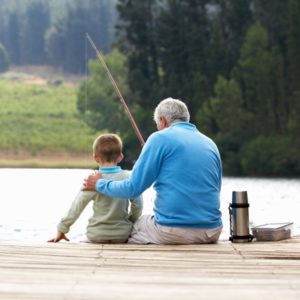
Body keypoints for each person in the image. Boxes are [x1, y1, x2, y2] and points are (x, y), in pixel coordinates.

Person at [83, 98, 222, 244]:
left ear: (162, 121)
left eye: (157, 126)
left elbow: (132, 188)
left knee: (133, 227)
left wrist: (99, 184)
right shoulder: (210, 143)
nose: (158, 129)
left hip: (173, 231)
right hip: (211, 231)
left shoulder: (159, 138)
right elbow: (215, 189)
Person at [48, 133, 143, 244]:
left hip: (97, 234)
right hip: (122, 235)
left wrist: (62, 229)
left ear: (95, 158)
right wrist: (130, 221)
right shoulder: (128, 177)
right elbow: (138, 205)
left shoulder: (92, 181)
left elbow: (77, 206)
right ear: (120, 157)